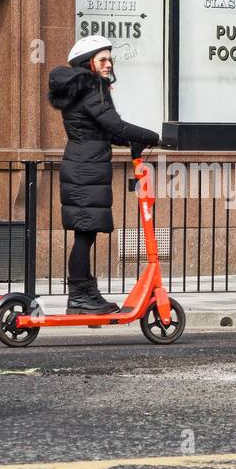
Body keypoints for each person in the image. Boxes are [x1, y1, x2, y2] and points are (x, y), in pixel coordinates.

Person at [49, 35, 162, 314]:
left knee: (85, 234)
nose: (108, 64)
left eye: (110, 59)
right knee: (84, 235)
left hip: (83, 164)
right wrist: (153, 136)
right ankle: (79, 295)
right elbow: (117, 127)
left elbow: (101, 131)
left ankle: (85, 293)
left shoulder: (81, 90)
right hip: (86, 169)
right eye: (103, 59)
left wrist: (133, 141)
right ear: (88, 63)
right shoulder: (91, 90)